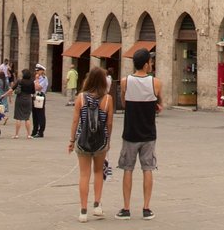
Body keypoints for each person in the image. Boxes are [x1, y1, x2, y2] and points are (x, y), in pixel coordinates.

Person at [116, 48, 163, 220]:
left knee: (127, 169)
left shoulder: (125, 81)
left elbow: (123, 102)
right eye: (150, 62)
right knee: (148, 169)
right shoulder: (155, 83)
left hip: (130, 133)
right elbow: (160, 104)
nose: (152, 64)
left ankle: (126, 208)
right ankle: (146, 208)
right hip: (148, 134)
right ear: (145, 64)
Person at [68, 66, 114, 223]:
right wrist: (108, 140)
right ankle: (97, 205)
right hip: (100, 142)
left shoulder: (80, 98)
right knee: (99, 172)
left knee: (84, 175)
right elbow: (109, 123)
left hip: (82, 140)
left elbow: (75, 120)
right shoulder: (108, 99)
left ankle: (83, 211)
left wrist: (71, 140)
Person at [4, 68, 35, 138]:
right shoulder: (31, 82)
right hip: (28, 100)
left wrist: (4, 95)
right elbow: (33, 92)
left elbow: (11, 89)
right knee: (27, 118)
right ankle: (28, 135)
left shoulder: (19, 81)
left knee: (18, 117)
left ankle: (16, 134)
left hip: (20, 99)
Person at [32, 63, 49, 137]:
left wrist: (36, 80)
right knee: (34, 114)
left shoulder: (44, 78)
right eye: (36, 70)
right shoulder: (38, 78)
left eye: (38, 70)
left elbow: (38, 87)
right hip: (35, 95)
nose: (36, 72)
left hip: (40, 96)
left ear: (42, 71)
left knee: (40, 114)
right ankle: (34, 130)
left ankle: (40, 131)